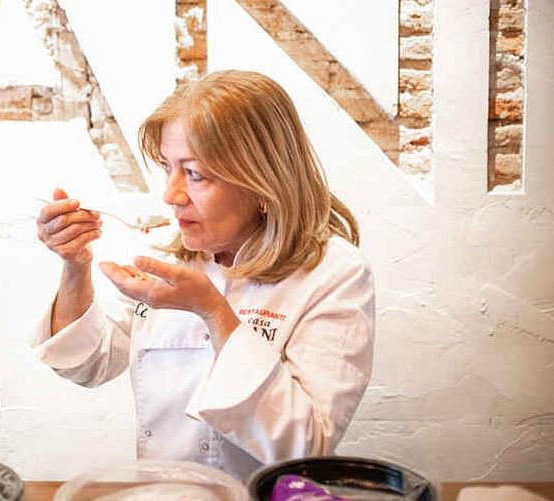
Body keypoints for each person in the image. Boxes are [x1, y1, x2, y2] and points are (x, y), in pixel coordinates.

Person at [32, 69, 375, 481]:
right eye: (167, 167)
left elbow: (306, 445)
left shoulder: (334, 274)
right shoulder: (165, 253)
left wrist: (213, 311)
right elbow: (87, 365)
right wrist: (75, 264)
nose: (171, 195)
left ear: (263, 184)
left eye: (194, 174)